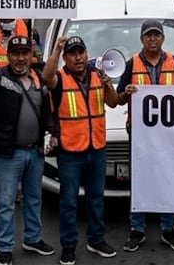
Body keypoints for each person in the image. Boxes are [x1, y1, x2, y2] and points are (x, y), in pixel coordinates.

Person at [0, 32, 55, 264]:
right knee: (6, 203)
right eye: (16, 53)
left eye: (24, 53)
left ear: (31, 55)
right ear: (8, 56)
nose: (20, 58)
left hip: (35, 152)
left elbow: (47, 113)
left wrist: (54, 134)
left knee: (34, 199)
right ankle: (5, 248)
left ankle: (33, 238)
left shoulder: (39, 79)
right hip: (9, 155)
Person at [42, 35, 120, 264]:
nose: (78, 58)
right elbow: (46, 77)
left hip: (97, 148)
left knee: (96, 199)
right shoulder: (60, 78)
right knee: (69, 202)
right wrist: (57, 49)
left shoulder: (98, 75)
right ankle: (68, 247)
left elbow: (113, 102)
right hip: (70, 152)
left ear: (87, 54)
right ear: (65, 58)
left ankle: (96, 240)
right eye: (72, 54)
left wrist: (108, 84)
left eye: (81, 52)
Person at [118, 20, 174, 253]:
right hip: (140, 134)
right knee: (139, 180)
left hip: (167, 134)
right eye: (148, 35)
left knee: (168, 179)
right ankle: (137, 230)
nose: (152, 39)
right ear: (141, 39)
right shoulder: (132, 64)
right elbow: (118, 97)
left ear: (163, 38)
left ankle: (169, 229)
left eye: (156, 35)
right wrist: (126, 92)